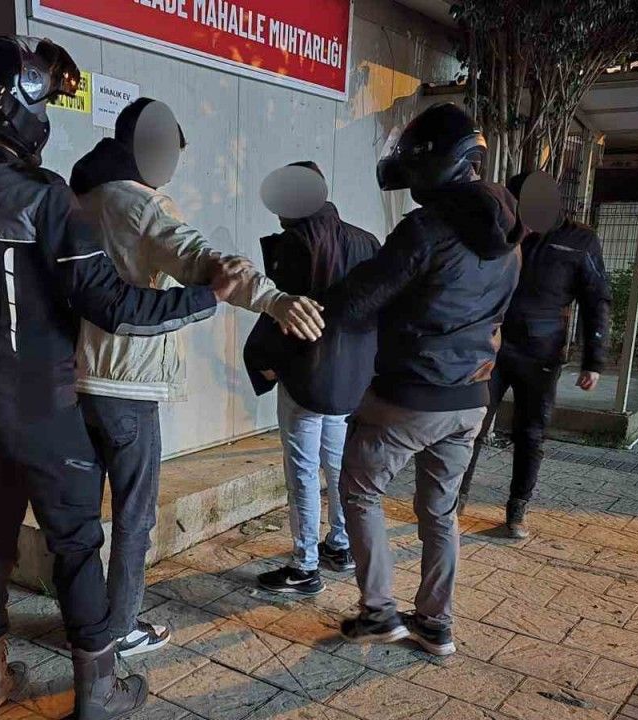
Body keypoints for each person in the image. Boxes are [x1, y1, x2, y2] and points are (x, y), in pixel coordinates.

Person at [0, 37, 240, 720]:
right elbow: (112, 306)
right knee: (76, 545)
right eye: (38, 99)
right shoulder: (42, 197)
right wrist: (206, 296)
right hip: (39, 406)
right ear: (14, 106)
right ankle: (99, 692)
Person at [69, 99, 325, 656]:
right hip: (128, 382)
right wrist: (274, 300)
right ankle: (120, 628)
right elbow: (204, 261)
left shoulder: (80, 199)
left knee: (82, 515)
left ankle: (84, 619)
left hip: (76, 378)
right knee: (134, 516)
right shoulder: (141, 204)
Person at [326, 103, 523, 656]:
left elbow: (358, 299)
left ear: (438, 160)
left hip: (411, 394)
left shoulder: (427, 228)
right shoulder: (512, 235)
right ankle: (436, 623)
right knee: (440, 511)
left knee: (360, 491)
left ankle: (378, 611)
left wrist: (322, 303)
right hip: (471, 397)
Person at [242, 161, 380, 596]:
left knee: (302, 470)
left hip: (305, 374)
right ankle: (340, 543)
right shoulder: (366, 241)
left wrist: (263, 360)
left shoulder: (298, 244)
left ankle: (304, 566)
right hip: (349, 378)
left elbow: (283, 316)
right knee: (337, 462)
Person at [458, 172, 611, 539]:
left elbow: (597, 300)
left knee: (531, 433)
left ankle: (517, 510)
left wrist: (594, 360)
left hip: (541, 352)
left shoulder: (579, 240)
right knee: (472, 424)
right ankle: (453, 501)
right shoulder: (500, 231)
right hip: (491, 346)